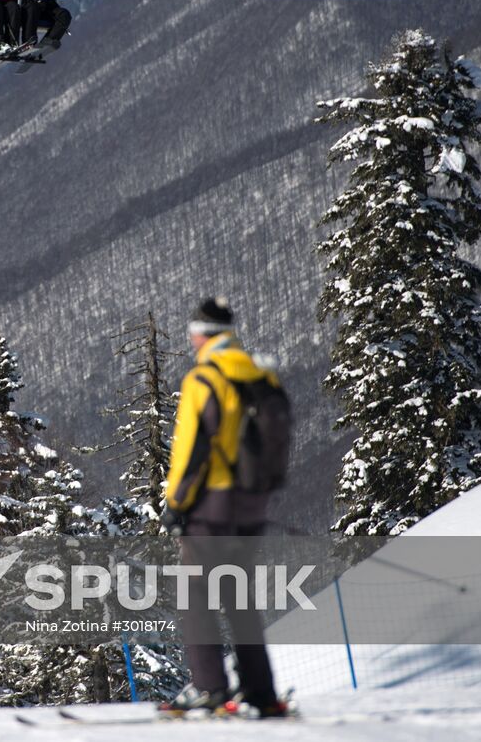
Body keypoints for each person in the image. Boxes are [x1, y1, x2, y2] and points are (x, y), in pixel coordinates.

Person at [159, 298, 288, 718]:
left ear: (203, 335)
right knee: (238, 596)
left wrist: (176, 504)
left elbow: (191, 448)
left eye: (193, 334)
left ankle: (209, 687)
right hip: (251, 503)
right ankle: (260, 692)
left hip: (213, 506)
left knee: (195, 594)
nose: (191, 341)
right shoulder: (259, 374)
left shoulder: (205, 378)